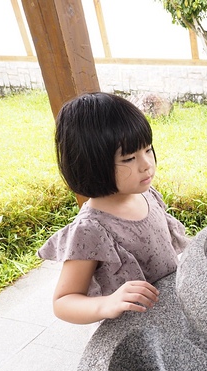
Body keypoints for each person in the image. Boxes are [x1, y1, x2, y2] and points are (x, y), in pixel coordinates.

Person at [38, 92, 189, 325]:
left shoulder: (146, 194)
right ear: (91, 164)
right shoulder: (91, 229)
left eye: (148, 150)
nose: (147, 164)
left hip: (168, 312)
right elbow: (63, 302)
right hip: (131, 327)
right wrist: (108, 303)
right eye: (129, 158)